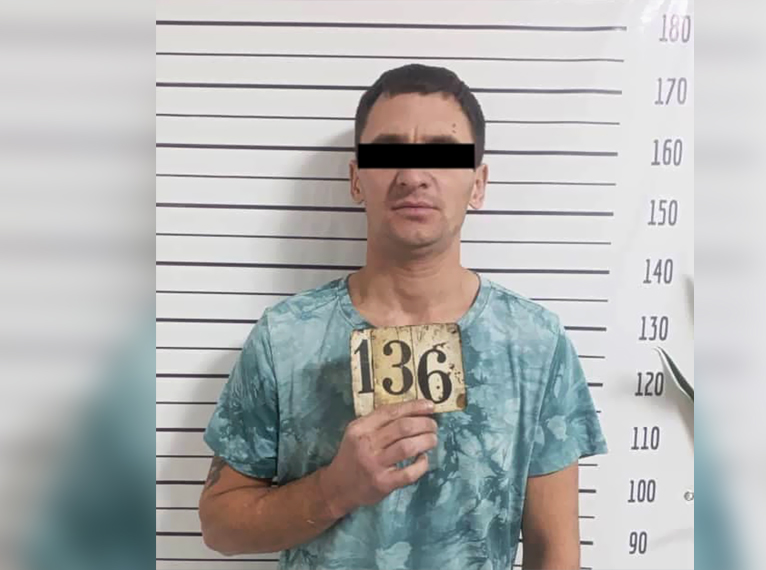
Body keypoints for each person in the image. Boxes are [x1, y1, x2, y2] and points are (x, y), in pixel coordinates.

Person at [199, 63, 607, 570]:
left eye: (442, 154)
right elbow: (220, 525)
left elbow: (555, 551)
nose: (413, 176)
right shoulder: (284, 338)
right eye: (389, 152)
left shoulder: (535, 344)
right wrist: (334, 490)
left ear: (478, 185)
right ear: (356, 180)